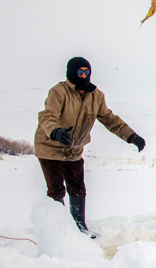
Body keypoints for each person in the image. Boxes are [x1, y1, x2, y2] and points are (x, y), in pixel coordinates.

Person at [34, 57, 145, 238]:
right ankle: (58, 231)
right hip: (50, 147)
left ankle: (80, 227)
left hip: (74, 150)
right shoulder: (59, 92)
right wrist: (55, 131)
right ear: (71, 73)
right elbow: (47, 116)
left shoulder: (96, 95)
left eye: (87, 72)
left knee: (78, 187)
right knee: (56, 190)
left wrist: (131, 136)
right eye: (80, 72)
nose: (84, 75)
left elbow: (110, 119)